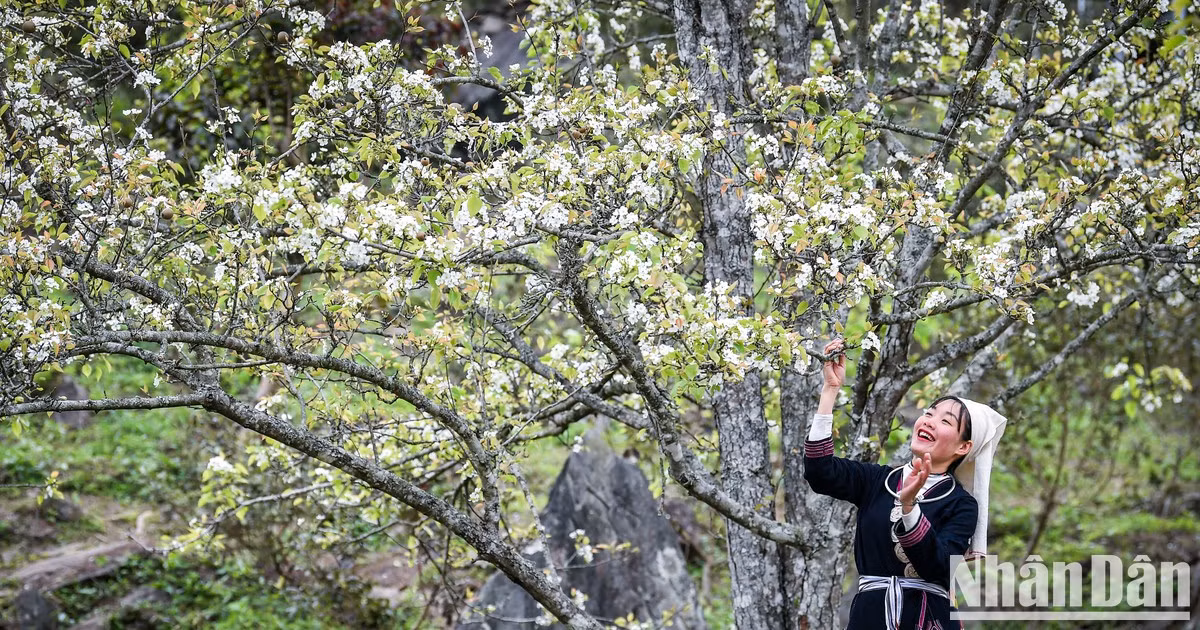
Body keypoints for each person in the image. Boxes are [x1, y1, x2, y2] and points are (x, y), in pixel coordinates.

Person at [804, 339, 1007, 629]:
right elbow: (819, 471)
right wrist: (830, 391)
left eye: (946, 421)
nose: (929, 421)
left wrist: (909, 508)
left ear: (964, 447)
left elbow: (939, 566)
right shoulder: (877, 481)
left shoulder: (961, 505)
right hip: (870, 618)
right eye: (929, 413)